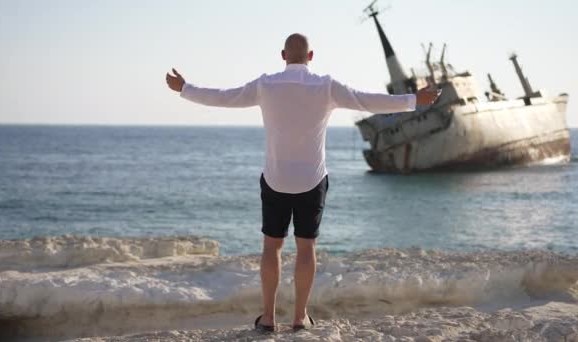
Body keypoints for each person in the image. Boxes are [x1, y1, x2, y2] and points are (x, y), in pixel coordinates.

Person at [165, 33, 440, 333]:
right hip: (312, 180)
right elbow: (369, 100)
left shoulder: (265, 85)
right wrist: (415, 100)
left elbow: (223, 97)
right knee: (306, 248)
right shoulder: (326, 86)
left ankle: (268, 318)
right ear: (311, 57)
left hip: (275, 179)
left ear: (283, 55)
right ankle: (300, 317)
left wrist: (185, 89)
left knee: (272, 247)